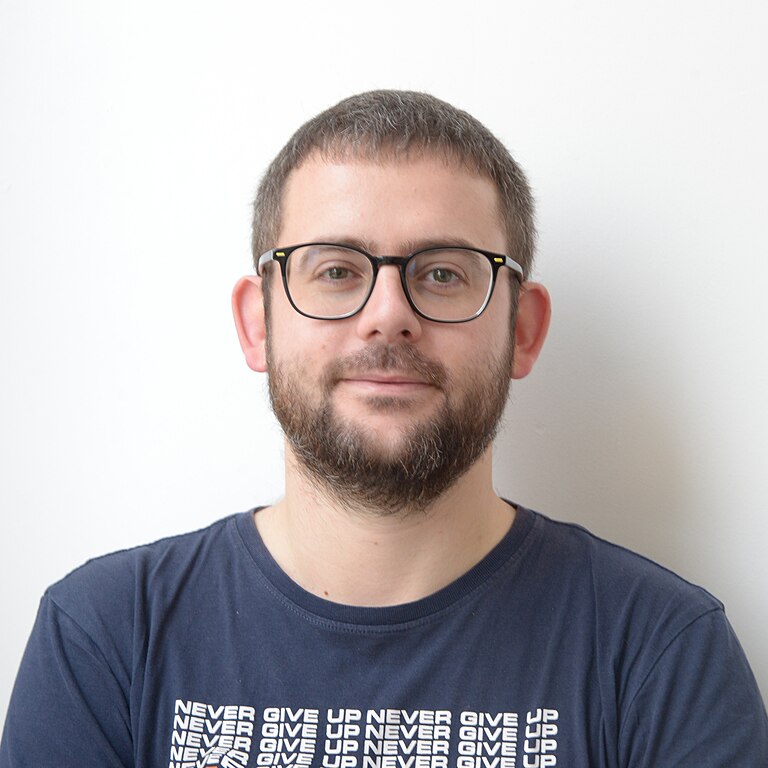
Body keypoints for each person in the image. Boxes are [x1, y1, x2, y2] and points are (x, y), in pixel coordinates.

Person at [1, 90, 766, 768]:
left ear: (523, 330)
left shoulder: (660, 651)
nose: (389, 314)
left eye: (444, 272)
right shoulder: (107, 636)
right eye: (336, 270)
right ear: (257, 324)